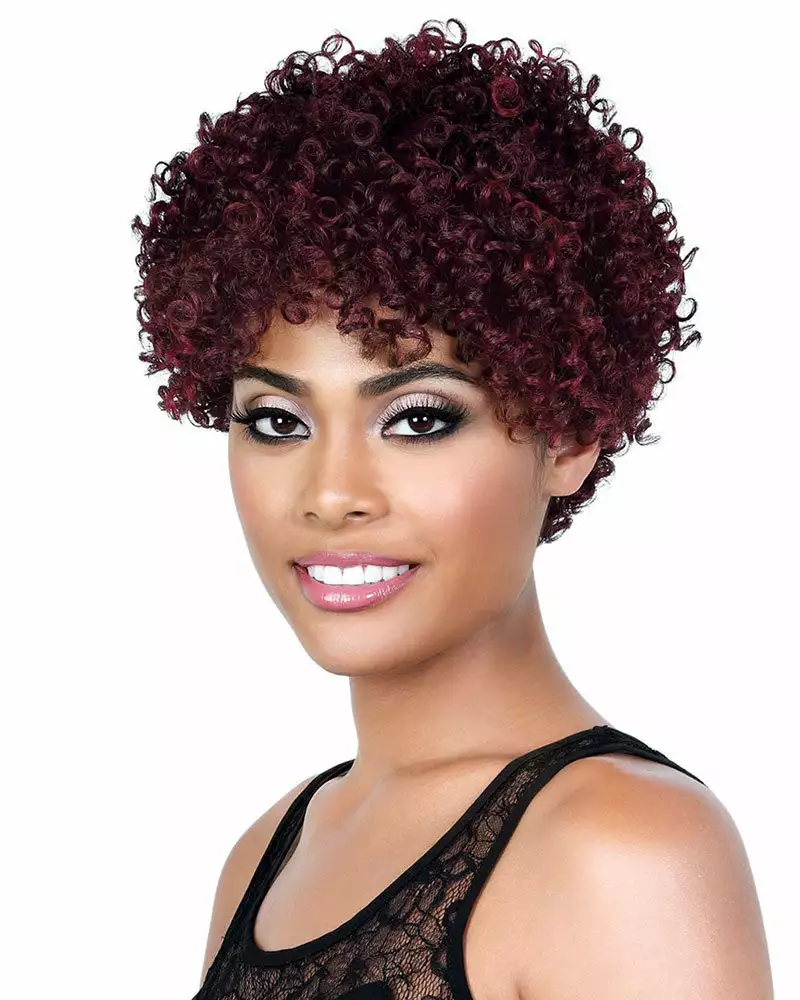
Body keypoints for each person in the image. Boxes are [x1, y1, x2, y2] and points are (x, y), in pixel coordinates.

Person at [131, 18, 773, 1000]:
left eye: (418, 419)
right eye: (276, 421)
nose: (332, 494)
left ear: (568, 436)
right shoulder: (267, 855)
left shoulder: (622, 851)